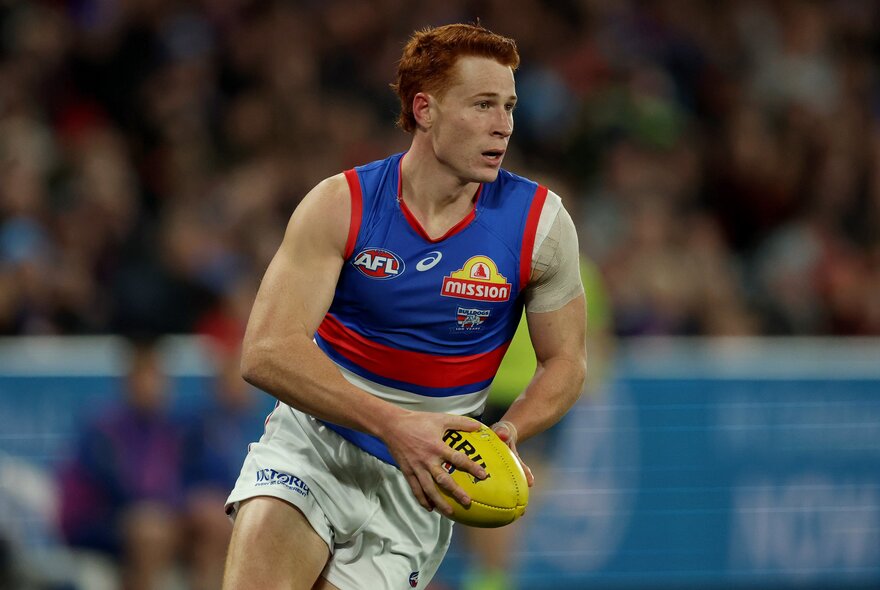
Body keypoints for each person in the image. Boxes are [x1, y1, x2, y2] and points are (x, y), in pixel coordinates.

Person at [223, 23, 587, 590]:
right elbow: (266, 352)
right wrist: (394, 425)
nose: (504, 126)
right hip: (316, 445)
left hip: (423, 481)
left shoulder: (541, 225)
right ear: (425, 110)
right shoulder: (342, 204)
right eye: (483, 105)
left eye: (509, 106)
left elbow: (566, 362)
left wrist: (509, 430)